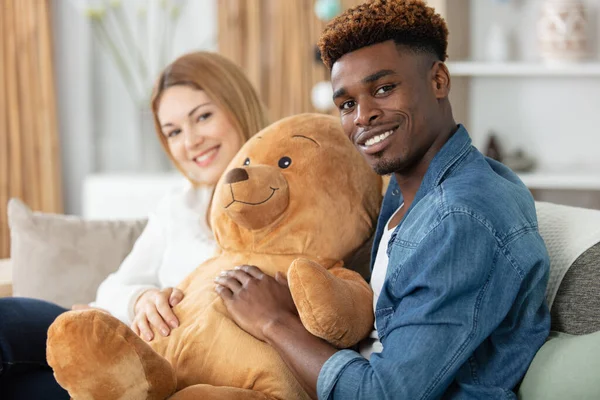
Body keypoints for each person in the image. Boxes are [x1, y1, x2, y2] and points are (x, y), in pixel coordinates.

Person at [214, 1, 551, 399]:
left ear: (438, 81)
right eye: (347, 104)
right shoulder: (408, 192)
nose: (363, 116)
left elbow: (385, 394)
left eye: (384, 88)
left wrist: (273, 322)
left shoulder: (460, 217)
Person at [0, 51, 268, 399]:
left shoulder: (283, 204)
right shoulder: (181, 204)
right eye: (173, 132)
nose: (189, 142)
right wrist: (141, 299)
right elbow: (111, 289)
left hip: (158, 377)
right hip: (117, 350)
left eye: (202, 117)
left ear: (239, 107)